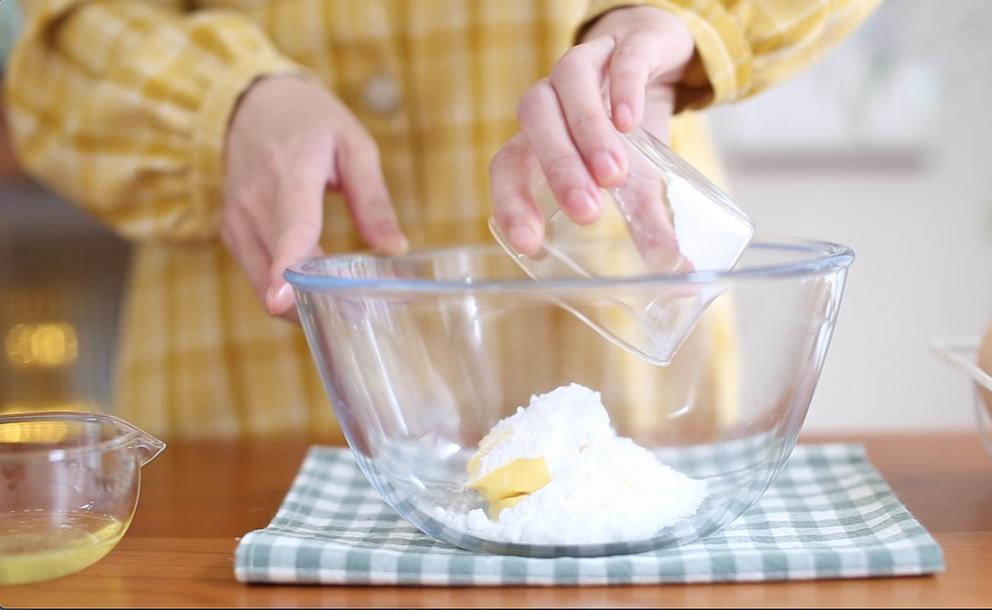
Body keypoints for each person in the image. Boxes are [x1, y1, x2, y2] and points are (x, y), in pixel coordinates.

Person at [5, 0, 878, 439]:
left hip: (632, 399)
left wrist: (681, 24)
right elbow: (54, 52)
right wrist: (222, 106)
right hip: (245, 419)